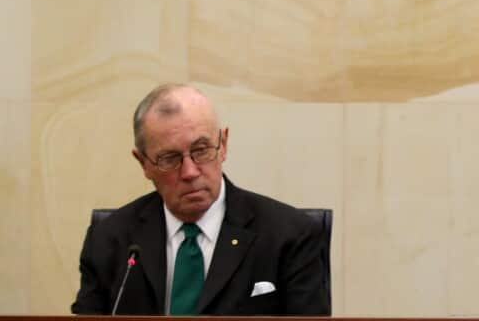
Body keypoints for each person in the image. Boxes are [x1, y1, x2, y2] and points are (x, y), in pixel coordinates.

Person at [72, 84, 328, 316]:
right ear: (143, 163)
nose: (190, 172)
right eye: (170, 158)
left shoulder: (290, 235)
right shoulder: (109, 240)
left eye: (201, 150)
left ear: (223, 145)